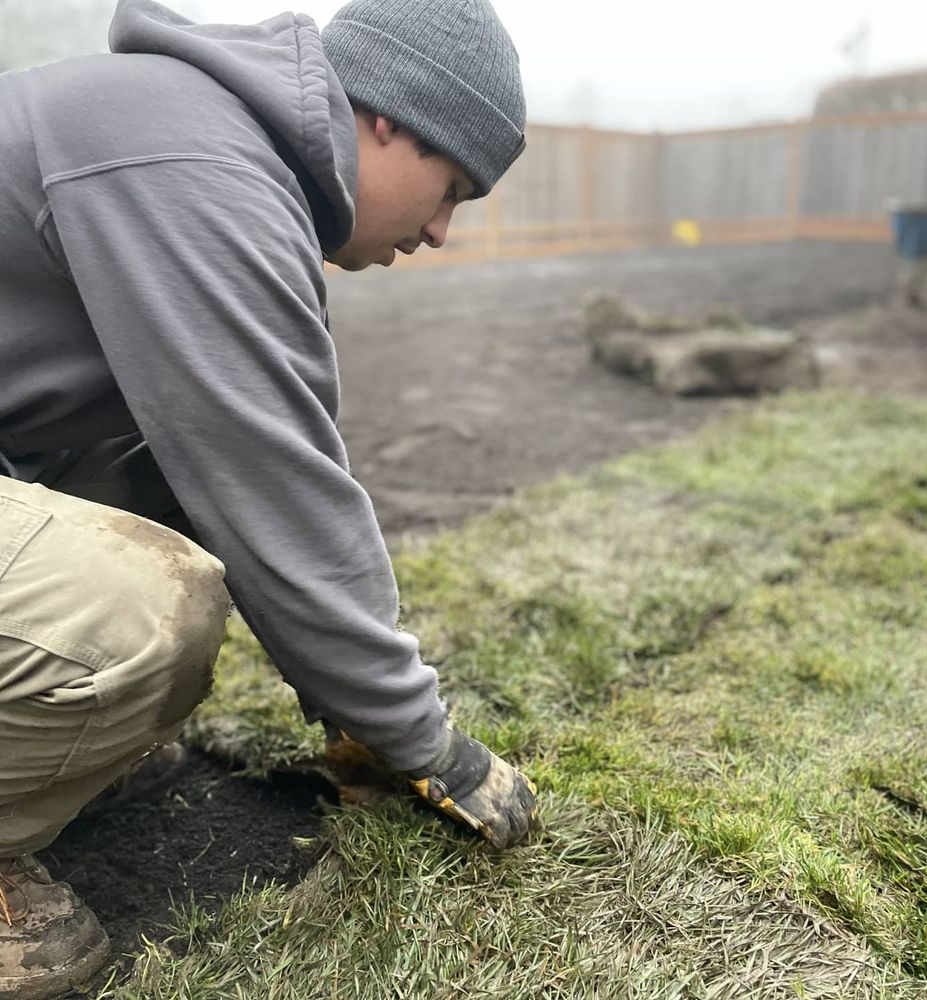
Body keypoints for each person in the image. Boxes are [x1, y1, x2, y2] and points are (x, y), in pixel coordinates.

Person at [0, 0, 537, 994]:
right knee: (142, 608)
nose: (439, 232)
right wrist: (426, 746)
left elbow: (211, 470)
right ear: (389, 117)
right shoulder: (196, 167)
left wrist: (354, 708)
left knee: (145, 479)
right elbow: (278, 482)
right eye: (450, 186)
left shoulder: (203, 141)